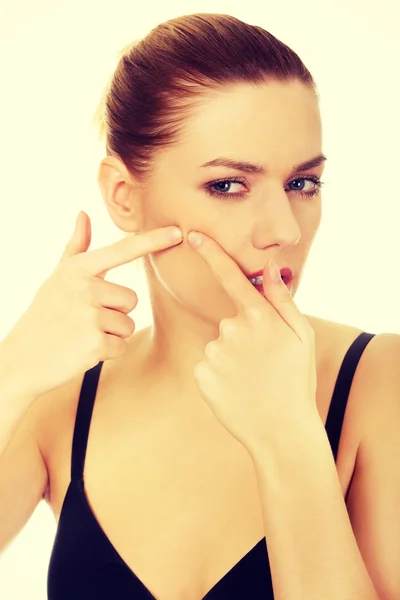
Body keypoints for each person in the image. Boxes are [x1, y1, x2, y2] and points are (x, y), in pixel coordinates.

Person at [0, 12, 399, 600]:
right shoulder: (60, 399)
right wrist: (12, 371)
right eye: (229, 186)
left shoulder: (379, 383)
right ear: (123, 196)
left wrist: (289, 438)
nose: (285, 230)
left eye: (302, 184)